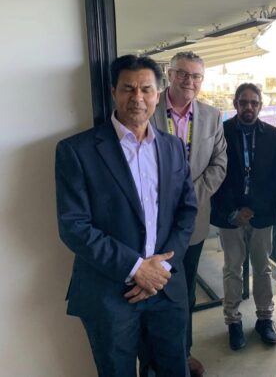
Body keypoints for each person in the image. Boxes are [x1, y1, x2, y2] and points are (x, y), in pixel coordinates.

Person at [55, 55, 198, 377]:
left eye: (146, 89)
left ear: (158, 94)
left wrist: (159, 268)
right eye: (128, 89)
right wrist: (136, 268)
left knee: (175, 369)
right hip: (110, 292)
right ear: (113, 92)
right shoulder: (77, 151)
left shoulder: (173, 147)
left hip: (166, 286)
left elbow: (187, 211)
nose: (137, 98)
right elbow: (73, 226)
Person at [151, 51, 227, 377]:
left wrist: (187, 199)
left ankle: (184, 353)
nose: (189, 82)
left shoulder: (211, 116)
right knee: (157, 293)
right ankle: (160, 357)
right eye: (183, 74)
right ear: (169, 74)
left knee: (186, 294)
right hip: (153, 222)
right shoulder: (148, 110)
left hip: (193, 223)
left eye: (196, 76)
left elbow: (219, 164)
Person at [210, 83, 276, 350]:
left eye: (253, 102)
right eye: (243, 102)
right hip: (230, 215)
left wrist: (256, 209)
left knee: (263, 269)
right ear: (235, 104)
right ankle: (233, 321)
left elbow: (275, 178)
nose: (248, 107)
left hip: (261, 215)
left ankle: (265, 319)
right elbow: (216, 177)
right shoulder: (221, 133)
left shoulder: (273, 135)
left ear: (260, 105)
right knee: (232, 269)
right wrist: (233, 212)